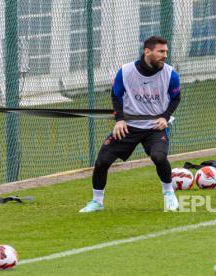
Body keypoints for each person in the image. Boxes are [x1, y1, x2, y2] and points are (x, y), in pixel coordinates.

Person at [79, 36, 181, 212]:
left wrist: (165, 117)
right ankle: (97, 202)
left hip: (154, 127)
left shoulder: (170, 74)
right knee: (102, 161)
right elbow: (116, 96)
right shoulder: (125, 71)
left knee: (159, 157)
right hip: (129, 126)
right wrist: (119, 120)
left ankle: (169, 194)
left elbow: (176, 98)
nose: (165, 55)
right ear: (147, 51)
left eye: (166, 51)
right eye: (161, 51)